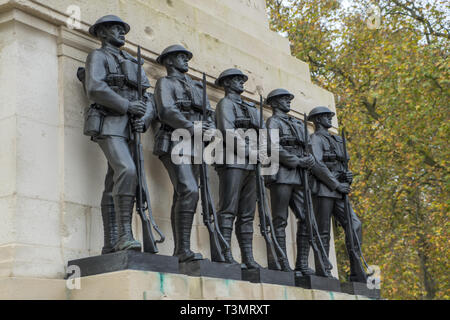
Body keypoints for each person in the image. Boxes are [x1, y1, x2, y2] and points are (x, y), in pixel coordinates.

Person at [82, 15, 155, 253]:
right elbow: (95, 87)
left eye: (122, 29)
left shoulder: (134, 62)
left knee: (114, 178)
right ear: (102, 33)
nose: (121, 32)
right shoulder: (98, 56)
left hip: (132, 127)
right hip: (109, 123)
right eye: (115, 29)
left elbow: (148, 96)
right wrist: (126, 105)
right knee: (127, 169)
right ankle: (124, 234)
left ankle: (110, 242)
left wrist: (144, 117)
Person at [153, 44, 215, 263]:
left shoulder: (198, 87)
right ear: (169, 61)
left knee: (185, 193)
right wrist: (193, 128)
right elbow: (166, 111)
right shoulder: (165, 83)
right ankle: (182, 249)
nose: (186, 59)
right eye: (181, 57)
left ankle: (182, 249)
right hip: (175, 140)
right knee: (189, 190)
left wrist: (210, 128)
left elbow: (209, 113)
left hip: (196, 145)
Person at [308, 106, 367, 282]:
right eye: (326, 116)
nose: (330, 118)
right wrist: (336, 184)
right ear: (318, 120)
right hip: (325, 190)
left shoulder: (337, 139)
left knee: (355, 225)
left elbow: (343, 166)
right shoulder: (315, 139)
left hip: (340, 190)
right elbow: (317, 165)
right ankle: (323, 269)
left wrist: (348, 178)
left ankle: (356, 271)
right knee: (323, 231)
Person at [214, 68, 263, 269]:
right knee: (228, 209)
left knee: (247, 214)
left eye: (242, 80)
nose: (241, 82)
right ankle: (224, 254)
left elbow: (264, 133)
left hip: (252, 164)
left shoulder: (251, 108)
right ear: (226, 84)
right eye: (236, 80)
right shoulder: (225, 104)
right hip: (232, 161)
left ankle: (248, 258)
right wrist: (251, 152)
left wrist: (261, 152)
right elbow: (228, 131)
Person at [264, 89, 316, 273]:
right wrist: (297, 161)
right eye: (284, 99)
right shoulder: (273, 122)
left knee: (308, 217)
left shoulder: (296, 122)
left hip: (300, 176)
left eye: (289, 98)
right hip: (282, 174)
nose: (288, 101)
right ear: (274, 103)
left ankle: (301, 262)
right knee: (280, 219)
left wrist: (309, 159)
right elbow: (272, 147)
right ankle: (280, 261)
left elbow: (307, 147)